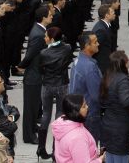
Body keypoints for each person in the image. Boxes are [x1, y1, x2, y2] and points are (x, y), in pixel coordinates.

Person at [38, 27, 74, 159]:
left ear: (52, 38)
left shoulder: (43, 53)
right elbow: (68, 61)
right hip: (61, 84)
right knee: (60, 115)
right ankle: (55, 150)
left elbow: (40, 69)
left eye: (46, 36)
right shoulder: (67, 49)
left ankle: (41, 147)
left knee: (45, 114)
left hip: (47, 84)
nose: (44, 38)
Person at [18, 5, 50, 144]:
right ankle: (28, 135)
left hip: (37, 73)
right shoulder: (38, 34)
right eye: (49, 15)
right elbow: (30, 54)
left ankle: (32, 127)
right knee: (30, 107)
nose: (51, 16)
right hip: (33, 75)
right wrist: (21, 66)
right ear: (43, 17)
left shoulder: (40, 30)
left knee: (35, 105)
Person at [100, 51, 129, 163]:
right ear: (123, 63)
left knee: (110, 158)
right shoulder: (122, 80)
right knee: (120, 159)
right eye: (127, 59)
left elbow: (102, 101)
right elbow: (126, 100)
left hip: (108, 124)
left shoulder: (107, 77)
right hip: (120, 129)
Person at [69, 31, 102, 143]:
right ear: (87, 46)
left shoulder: (77, 61)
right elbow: (96, 95)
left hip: (79, 111)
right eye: (95, 42)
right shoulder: (90, 66)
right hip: (90, 114)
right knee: (90, 148)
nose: (98, 44)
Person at [52, 93, 104, 163]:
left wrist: (96, 152)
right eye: (84, 106)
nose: (87, 107)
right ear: (75, 112)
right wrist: (100, 159)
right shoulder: (77, 137)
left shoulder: (63, 123)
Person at [93, 4, 115, 73]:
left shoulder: (105, 25)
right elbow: (94, 48)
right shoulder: (101, 30)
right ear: (107, 15)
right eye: (112, 12)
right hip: (102, 64)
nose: (114, 14)